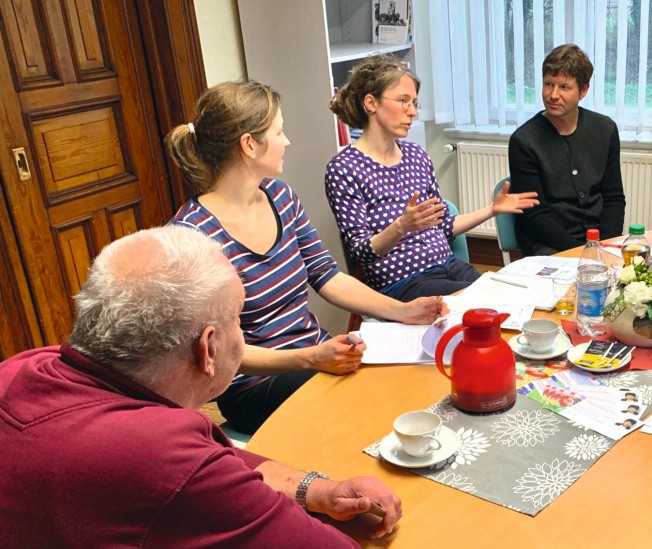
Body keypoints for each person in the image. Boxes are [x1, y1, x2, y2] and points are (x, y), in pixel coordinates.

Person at [0, 226, 402, 546]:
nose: (241, 335)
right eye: (239, 320)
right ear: (208, 347)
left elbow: (217, 465)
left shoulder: (29, 365)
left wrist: (315, 488)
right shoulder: (157, 453)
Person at [166, 81, 447, 434]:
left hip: (314, 355)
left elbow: (327, 276)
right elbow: (219, 354)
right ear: (249, 145)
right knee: (370, 409)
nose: (287, 142)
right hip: (256, 386)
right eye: (279, 132)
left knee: (407, 379)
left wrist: (402, 311)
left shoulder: (281, 197)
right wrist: (309, 359)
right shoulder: (193, 235)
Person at [326, 55, 538, 300]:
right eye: (403, 101)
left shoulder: (416, 155)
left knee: (512, 299)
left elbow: (444, 226)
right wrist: (401, 226)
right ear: (371, 103)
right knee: (485, 308)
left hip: (450, 267)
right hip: (402, 283)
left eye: (414, 103)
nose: (412, 112)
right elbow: (361, 252)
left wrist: (492, 210)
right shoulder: (344, 168)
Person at [508, 44, 626, 256]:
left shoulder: (605, 129)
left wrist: (606, 247)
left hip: (600, 243)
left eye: (564, 87)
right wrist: (582, 252)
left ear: (583, 90)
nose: (553, 95)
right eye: (548, 84)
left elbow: (613, 198)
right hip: (548, 246)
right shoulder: (524, 141)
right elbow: (535, 216)